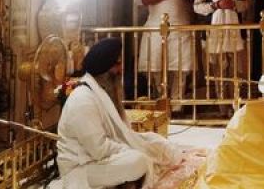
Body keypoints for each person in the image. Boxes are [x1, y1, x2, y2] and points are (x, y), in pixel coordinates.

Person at [57, 37, 182, 188]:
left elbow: (114, 137)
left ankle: (126, 181)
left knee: (153, 140)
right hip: (82, 168)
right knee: (139, 161)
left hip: (99, 159)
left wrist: (131, 144)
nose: (121, 69)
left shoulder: (98, 91)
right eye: (117, 64)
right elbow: (99, 150)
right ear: (104, 68)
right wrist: (129, 148)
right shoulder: (83, 100)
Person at [137, 0, 197, 110]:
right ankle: (161, 101)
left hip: (182, 27)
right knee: (156, 66)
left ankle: (177, 105)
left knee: (181, 68)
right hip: (157, 28)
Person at [194, 0, 252, 115]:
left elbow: (248, 3)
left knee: (236, 70)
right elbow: (197, 6)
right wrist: (216, 5)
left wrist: (234, 4)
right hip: (214, 33)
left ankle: (235, 106)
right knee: (218, 70)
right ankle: (221, 106)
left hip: (235, 33)